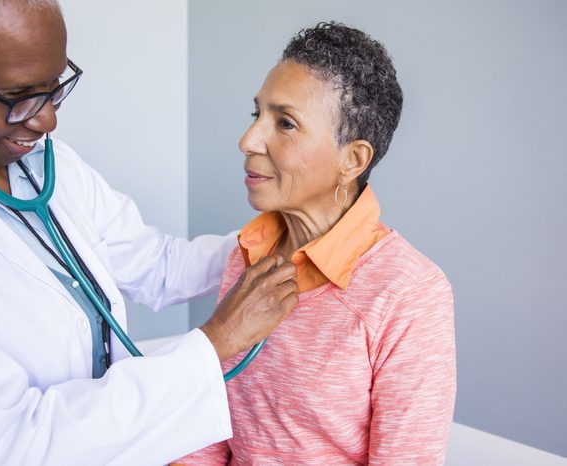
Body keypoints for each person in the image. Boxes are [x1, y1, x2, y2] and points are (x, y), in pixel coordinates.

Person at [0, 1, 299, 465]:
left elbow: (157, 265)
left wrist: (280, 240)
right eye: (19, 96)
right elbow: (7, 445)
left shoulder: (44, 163)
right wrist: (214, 343)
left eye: (55, 88)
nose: (48, 120)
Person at [175, 21, 456, 465]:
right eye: (257, 115)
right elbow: (207, 434)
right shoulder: (246, 256)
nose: (248, 140)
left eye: (285, 123)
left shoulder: (409, 293)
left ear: (353, 159)